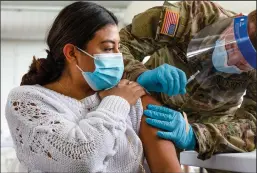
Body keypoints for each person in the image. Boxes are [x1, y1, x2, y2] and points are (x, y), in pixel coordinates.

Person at [5, 2, 182, 172]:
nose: (118, 57)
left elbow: (168, 169)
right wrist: (116, 102)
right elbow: (79, 161)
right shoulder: (27, 101)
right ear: (72, 53)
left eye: (118, 48)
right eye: (107, 48)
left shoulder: (135, 98)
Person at [119, 0, 256, 165]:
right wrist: (139, 74)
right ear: (238, 20)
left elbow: (253, 125)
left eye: (242, 64)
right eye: (232, 46)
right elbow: (120, 43)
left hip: (212, 125)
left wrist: (196, 136)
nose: (230, 60)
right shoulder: (193, 15)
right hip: (151, 102)